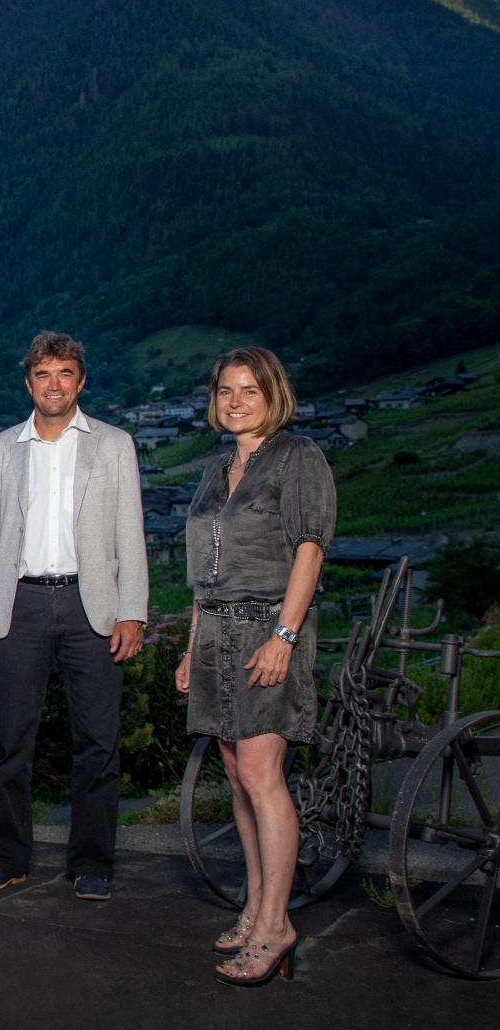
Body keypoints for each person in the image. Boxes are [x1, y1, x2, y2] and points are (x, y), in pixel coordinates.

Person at [0, 332, 148, 902]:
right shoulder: (0, 450)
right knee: (13, 740)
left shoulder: (114, 445)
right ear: (29, 383)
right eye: (44, 374)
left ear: (81, 381)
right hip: (16, 604)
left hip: (90, 606)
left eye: (65, 373)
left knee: (97, 740)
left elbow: (129, 534)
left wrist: (132, 612)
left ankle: (92, 863)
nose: (55, 384)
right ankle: (7, 858)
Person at [178, 348, 334, 987]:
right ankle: (253, 902)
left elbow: (309, 548)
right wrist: (191, 646)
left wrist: (284, 636)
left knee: (263, 774)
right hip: (215, 630)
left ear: (274, 395)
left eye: (249, 389)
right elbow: (202, 576)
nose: (235, 400)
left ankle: (277, 924)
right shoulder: (219, 469)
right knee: (238, 775)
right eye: (224, 390)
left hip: (267, 625)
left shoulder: (298, 459)